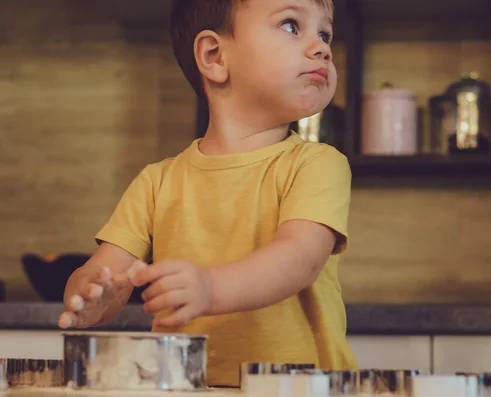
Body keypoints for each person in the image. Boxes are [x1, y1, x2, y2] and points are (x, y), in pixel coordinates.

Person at [58, 0, 357, 387]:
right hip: (187, 387)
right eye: (290, 25)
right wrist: (89, 297)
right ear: (214, 56)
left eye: (325, 33)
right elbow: (104, 272)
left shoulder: (317, 163)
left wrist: (210, 289)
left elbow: (300, 259)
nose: (322, 48)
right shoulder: (157, 181)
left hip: (300, 389)